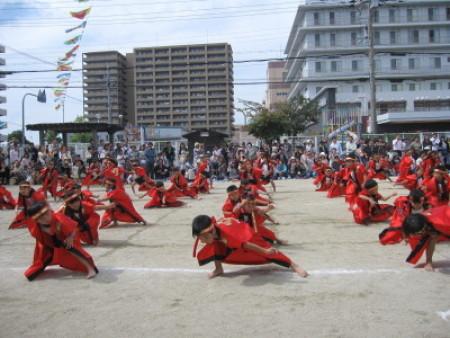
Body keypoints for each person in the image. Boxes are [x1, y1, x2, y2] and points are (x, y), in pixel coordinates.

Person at [191, 215, 308, 279]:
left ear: (211, 231)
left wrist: (265, 251)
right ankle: (218, 269)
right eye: (200, 238)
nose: (201, 240)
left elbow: (247, 244)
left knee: (267, 253)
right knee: (213, 248)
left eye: (203, 238)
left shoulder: (227, 236)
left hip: (248, 235)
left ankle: (293, 264)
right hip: (234, 232)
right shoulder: (209, 232)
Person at [23, 201, 98, 281]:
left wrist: (70, 237)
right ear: (35, 220)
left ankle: (90, 268)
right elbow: (40, 239)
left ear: (49, 210)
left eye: (46, 213)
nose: (45, 218)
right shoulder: (36, 226)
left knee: (71, 247)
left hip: (64, 239)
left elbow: (74, 229)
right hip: (49, 243)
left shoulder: (59, 219)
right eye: (40, 217)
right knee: (33, 272)